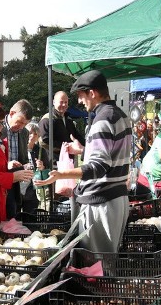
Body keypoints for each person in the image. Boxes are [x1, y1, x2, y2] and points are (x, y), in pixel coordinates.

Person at [35, 70, 132, 253]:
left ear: (92, 93)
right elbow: (112, 154)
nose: (80, 102)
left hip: (101, 202)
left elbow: (99, 166)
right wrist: (83, 150)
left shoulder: (102, 120)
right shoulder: (121, 115)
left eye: (81, 96)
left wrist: (61, 174)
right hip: (117, 197)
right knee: (108, 260)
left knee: (97, 263)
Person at [0, 99, 33, 219]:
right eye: (20, 122)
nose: (21, 127)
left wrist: (26, 165)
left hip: (16, 182)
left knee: (13, 215)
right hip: (0, 180)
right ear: (12, 113)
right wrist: (7, 164)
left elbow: (23, 157)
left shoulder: (24, 132)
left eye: (25, 124)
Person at [38, 91, 84, 160]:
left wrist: (89, 145)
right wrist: (66, 146)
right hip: (53, 161)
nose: (64, 105)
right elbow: (44, 141)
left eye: (66, 102)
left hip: (68, 160)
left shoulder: (68, 119)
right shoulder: (47, 119)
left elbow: (77, 136)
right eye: (61, 102)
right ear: (54, 102)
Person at [26, 122, 49, 213]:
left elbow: (47, 168)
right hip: (20, 185)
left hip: (34, 186)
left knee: (31, 212)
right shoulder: (19, 148)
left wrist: (42, 167)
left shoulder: (40, 150)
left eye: (35, 134)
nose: (32, 136)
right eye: (30, 133)